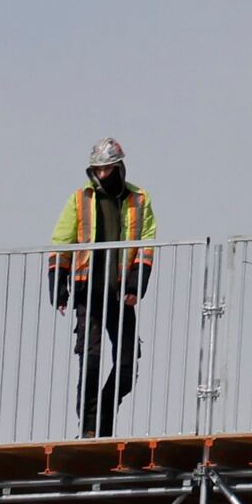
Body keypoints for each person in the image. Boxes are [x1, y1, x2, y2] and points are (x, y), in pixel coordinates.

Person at [50, 139, 159, 437]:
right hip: (89, 293)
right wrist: (59, 284)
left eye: (108, 169)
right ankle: (89, 430)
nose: (102, 175)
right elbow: (62, 241)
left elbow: (146, 244)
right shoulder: (80, 199)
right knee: (91, 361)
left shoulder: (139, 198)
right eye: (98, 170)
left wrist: (136, 284)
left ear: (120, 167)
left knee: (126, 366)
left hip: (121, 294)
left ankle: (104, 418)